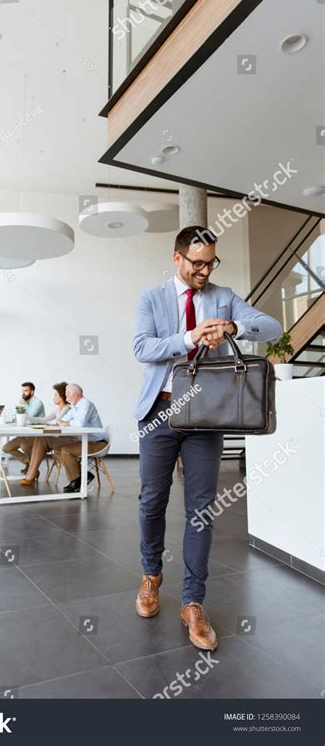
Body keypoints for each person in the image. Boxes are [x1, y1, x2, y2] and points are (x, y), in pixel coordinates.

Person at [133, 225, 281, 651]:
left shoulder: (223, 295)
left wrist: (234, 327)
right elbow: (141, 347)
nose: (204, 271)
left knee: (201, 509)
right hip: (159, 410)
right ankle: (150, 574)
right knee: (151, 501)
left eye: (210, 262)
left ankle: (193, 601)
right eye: (197, 263)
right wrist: (188, 337)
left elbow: (268, 325)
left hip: (204, 414)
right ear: (177, 258)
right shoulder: (151, 298)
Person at [54, 383, 106, 493]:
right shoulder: (74, 407)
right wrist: (62, 421)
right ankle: (82, 477)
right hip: (85, 441)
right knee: (58, 449)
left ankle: (76, 482)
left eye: (68, 394)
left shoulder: (86, 404)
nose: (66, 397)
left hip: (98, 443)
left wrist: (66, 423)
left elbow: (80, 423)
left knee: (66, 451)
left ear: (76, 394)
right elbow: (63, 419)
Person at [19, 382, 70, 485]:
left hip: (65, 439)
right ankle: (30, 473)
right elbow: (44, 419)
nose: (53, 397)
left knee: (41, 439)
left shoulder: (67, 409)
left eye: (56, 395)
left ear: (62, 397)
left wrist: (31, 419)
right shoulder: (57, 410)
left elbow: (56, 422)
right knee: (39, 439)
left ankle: (31, 474)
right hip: (57, 438)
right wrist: (26, 418)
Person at [2, 382, 46, 473]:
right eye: (22, 391)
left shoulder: (38, 403)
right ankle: (30, 463)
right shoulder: (26, 402)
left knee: (24, 445)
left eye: (26, 391)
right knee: (6, 448)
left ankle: (33, 469)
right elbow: (15, 415)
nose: (23, 393)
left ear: (32, 392)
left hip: (37, 434)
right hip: (26, 433)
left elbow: (27, 417)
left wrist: (21, 406)